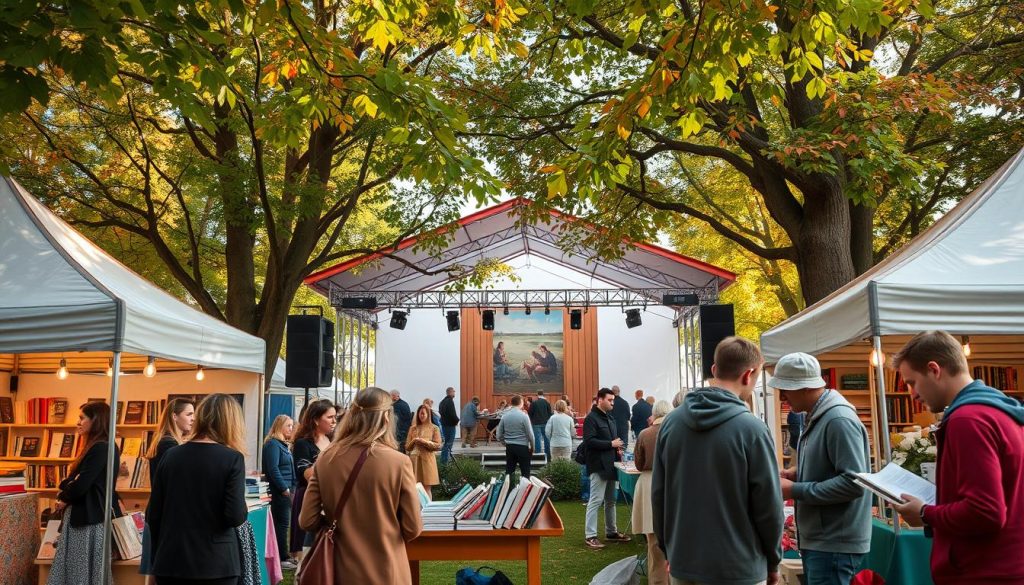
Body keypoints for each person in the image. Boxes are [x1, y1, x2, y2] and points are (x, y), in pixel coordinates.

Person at [890, 331, 1024, 585]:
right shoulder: (1001, 412)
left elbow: (986, 512)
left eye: (912, 382)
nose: (912, 395)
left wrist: (925, 513)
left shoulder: (968, 420)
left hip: (983, 572)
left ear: (934, 369)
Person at [653, 336, 783, 585]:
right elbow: (769, 505)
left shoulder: (671, 423)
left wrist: (669, 549)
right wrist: (773, 560)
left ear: (714, 369)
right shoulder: (753, 429)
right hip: (740, 568)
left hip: (685, 562)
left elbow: (659, 495)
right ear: (749, 375)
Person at [299, 387, 422, 584]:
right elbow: (412, 528)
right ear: (386, 418)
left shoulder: (326, 458)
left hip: (339, 570)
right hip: (387, 570)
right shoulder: (398, 462)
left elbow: (306, 520)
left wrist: (338, 521)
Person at [770, 352, 871, 585]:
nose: (782, 396)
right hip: (825, 541)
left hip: (834, 542)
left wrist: (795, 489)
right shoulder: (818, 415)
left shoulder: (837, 419)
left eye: (786, 388)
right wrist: (799, 472)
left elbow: (854, 482)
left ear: (805, 387)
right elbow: (835, 467)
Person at [149, 394, 248, 585]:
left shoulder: (171, 455)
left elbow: (154, 514)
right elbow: (235, 516)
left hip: (171, 560)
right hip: (216, 563)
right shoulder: (232, 458)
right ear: (232, 422)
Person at [47, 401, 119, 585]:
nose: (78, 423)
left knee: (78, 575)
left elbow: (80, 485)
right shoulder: (100, 446)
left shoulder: (101, 447)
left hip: (88, 521)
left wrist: (65, 494)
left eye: (82, 418)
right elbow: (72, 481)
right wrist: (70, 483)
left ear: (96, 420)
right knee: (83, 574)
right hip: (88, 518)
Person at [141, 398, 195, 582]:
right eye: (189, 414)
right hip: (166, 515)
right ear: (174, 416)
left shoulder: (168, 442)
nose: (193, 419)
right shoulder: (168, 444)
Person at [290, 399, 337, 561]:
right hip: (309, 497)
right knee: (307, 548)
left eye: (335, 417)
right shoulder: (303, 444)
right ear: (316, 420)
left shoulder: (332, 441)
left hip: (329, 497)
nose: (334, 421)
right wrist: (327, 457)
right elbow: (308, 475)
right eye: (330, 417)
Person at [583, 387, 629, 549]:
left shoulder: (609, 417)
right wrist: (611, 443)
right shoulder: (591, 418)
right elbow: (589, 442)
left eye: (613, 401)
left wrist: (616, 446)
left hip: (612, 464)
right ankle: (591, 535)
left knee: (611, 500)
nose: (612, 403)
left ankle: (611, 532)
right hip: (598, 465)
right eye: (609, 400)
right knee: (596, 500)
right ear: (599, 400)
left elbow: (611, 440)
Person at [634, 400, 673, 585]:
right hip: (673, 483)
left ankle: (657, 581)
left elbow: (639, 464)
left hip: (649, 482)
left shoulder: (644, 434)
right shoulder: (677, 431)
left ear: (655, 414)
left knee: (653, 541)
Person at [262, 414, 297, 570]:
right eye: (288, 425)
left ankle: (284, 555)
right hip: (279, 492)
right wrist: (284, 488)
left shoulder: (283, 445)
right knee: (281, 525)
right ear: (279, 426)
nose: (291, 428)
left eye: (292, 425)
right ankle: (282, 558)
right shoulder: (273, 445)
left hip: (287, 490)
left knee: (284, 524)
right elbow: (273, 469)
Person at [406, 404, 442, 498]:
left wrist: (425, 442)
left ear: (428, 415)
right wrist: (414, 441)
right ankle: (416, 510)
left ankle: (428, 510)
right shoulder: (413, 428)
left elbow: (438, 445)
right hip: (415, 460)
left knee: (427, 488)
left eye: (423, 414)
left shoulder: (434, 428)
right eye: (420, 414)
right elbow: (407, 447)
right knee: (415, 487)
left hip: (428, 460)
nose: (421, 416)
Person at [496, 394, 535, 477]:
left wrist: (504, 443)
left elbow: (498, 434)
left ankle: (508, 489)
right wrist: (532, 447)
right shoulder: (524, 416)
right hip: (522, 447)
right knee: (525, 473)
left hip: (510, 446)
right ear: (520, 403)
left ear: (511, 403)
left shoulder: (504, 416)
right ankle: (525, 489)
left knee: (509, 472)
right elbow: (530, 434)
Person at [529, 390, 553, 460]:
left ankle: (538, 455)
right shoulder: (547, 402)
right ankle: (548, 455)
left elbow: (530, 413)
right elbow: (550, 413)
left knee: (537, 439)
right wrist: (547, 419)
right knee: (546, 438)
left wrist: (533, 420)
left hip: (536, 423)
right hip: (545, 423)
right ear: (543, 394)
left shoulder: (534, 403)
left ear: (537, 395)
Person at [438, 386, 459, 464]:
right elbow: (452, 414)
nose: (454, 393)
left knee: (446, 443)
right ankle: (444, 462)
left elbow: (441, 412)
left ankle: (445, 460)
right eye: (453, 391)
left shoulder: (442, 402)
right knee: (448, 444)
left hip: (444, 425)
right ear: (450, 392)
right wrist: (457, 420)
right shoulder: (450, 401)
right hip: (450, 426)